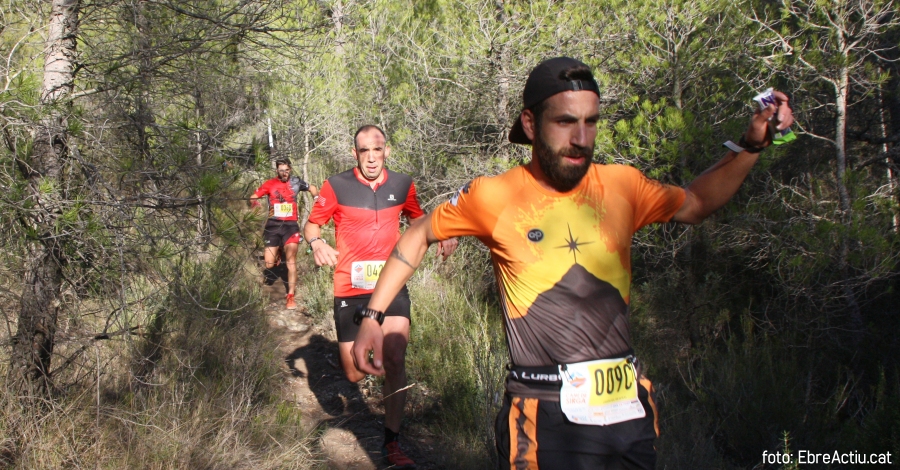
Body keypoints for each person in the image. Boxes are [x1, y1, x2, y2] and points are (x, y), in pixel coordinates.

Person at [351, 57, 794, 469]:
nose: (581, 138)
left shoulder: (623, 185)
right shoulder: (494, 196)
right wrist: (373, 316)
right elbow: (418, 234)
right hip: (544, 413)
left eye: (591, 121)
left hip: (628, 411)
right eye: (565, 122)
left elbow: (695, 203)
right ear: (531, 123)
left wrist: (751, 147)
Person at [303, 125, 458, 469]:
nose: (372, 157)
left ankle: (392, 442)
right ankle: (370, 364)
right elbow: (312, 225)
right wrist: (317, 242)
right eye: (364, 151)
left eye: (378, 150)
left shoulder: (403, 184)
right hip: (350, 288)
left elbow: (418, 220)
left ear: (387, 151)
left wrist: (443, 231)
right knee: (355, 373)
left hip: (391, 285)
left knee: (395, 358)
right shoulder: (335, 185)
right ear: (354, 153)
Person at [250, 158, 318, 310]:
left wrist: (317, 198)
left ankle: (290, 296)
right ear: (277, 171)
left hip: (290, 226)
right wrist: (255, 203)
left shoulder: (296, 182)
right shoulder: (270, 184)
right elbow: (253, 196)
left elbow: (312, 188)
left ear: (290, 169)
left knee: (291, 261)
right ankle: (279, 252)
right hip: (273, 225)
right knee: (269, 264)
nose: (284, 173)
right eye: (281, 170)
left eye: (287, 170)